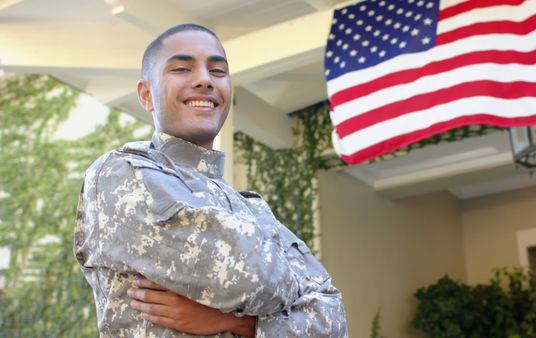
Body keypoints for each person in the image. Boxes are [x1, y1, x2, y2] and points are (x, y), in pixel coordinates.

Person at [74, 23, 348, 337]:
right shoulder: (122, 172)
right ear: (146, 95)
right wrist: (289, 293)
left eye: (218, 71)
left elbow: (334, 319)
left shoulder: (251, 206)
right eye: (181, 68)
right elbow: (251, 279)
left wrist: (242, 324)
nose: (204, 80)